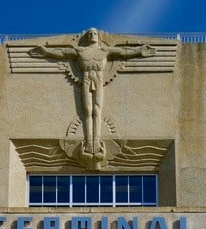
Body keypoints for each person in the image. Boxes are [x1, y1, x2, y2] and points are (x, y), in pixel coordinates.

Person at [30, 28, 155, 157]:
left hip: (98, 79)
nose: (92, 35)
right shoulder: (80, 50)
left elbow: (123, 52)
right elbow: (62, 52)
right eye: (90, 33)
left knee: (97, 109)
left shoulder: (104, 50)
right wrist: (46, 52)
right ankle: (89, 142)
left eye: (95, 33)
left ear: (98, 36)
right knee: (87, 110)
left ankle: (97, 141)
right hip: (86, 78)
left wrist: (139, 51)